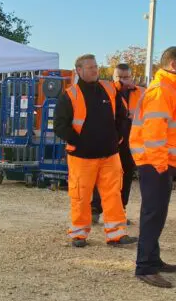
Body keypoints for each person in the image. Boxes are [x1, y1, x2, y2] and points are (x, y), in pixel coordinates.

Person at [53, 54, 136, 248]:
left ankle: (117, 235)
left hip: (110, 154)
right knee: (81, 196)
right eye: (90, 67)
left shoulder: (109, 89)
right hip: (81, 156)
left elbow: (122, 116)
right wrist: (79, 142)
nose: (94, 70)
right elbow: (59, 126)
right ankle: (79, 235)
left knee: (113, 194)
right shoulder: (70, 95)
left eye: (96, 66)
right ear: (79, 70)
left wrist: (116, 138)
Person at [129, 46, 176, 288]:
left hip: (162, 162)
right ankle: (145, 267)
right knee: (153, 214)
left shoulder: (172, 88)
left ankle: (152, 260)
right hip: (156, 162)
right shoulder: (162, 90)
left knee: (157, 213)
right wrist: (160, 164)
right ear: (174, 64)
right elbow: (154, 132)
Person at [92, 63, 143, 224]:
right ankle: (95, 210)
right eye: (119, 77)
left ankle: (119, 212)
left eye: (126, 77)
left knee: (125, 177)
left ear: (131, 77)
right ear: (113, 77)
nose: (122, 80)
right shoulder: (105, 92)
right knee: (103, 176)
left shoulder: (142, 93)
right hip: (108, 141)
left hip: (131, 142)